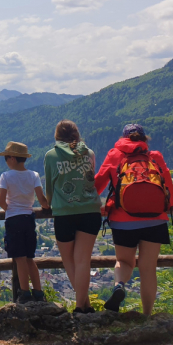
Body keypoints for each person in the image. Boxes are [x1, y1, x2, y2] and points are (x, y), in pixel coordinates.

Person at [95, 124, 173, 314]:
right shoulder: (154, 156)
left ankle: (119, 284)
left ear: (123, 138)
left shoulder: (115, 155)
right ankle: (147, 315)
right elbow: (169, 193)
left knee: (124, 262)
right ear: (144, 138)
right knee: (148, 269)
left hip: (123, 220)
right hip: (155, 220)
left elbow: (97, 186)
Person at [44, 120, 102, 313]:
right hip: (91, 210)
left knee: (69, 261)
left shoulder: (51, 156)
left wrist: (46, 204)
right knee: (83, 260)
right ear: (77, 134)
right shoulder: (90, 153)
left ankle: (81, 306)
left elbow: (49, 188)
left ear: (57, 136)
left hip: (64, 213)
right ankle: (84, 306)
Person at [0, 141, 49, 303]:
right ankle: (38, 292)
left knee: (19, 258)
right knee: (29, 258)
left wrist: (9, 209)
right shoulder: (34, 175)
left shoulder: (6, 176)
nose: (5, 160)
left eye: (6, 157)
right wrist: (47, 207)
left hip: (14, 219)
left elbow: (1, 201)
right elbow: (42, 200)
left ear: (12, 158)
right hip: (28, 218)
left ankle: (25, 293)